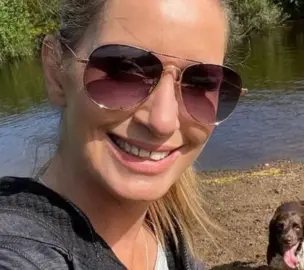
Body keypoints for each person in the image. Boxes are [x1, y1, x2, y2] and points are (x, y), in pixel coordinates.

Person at [0, 0, 246, 269]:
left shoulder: (165, 236)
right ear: (55, 72)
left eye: (200, 84)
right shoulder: (18, 255)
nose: (162, 121)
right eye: (125, 71)